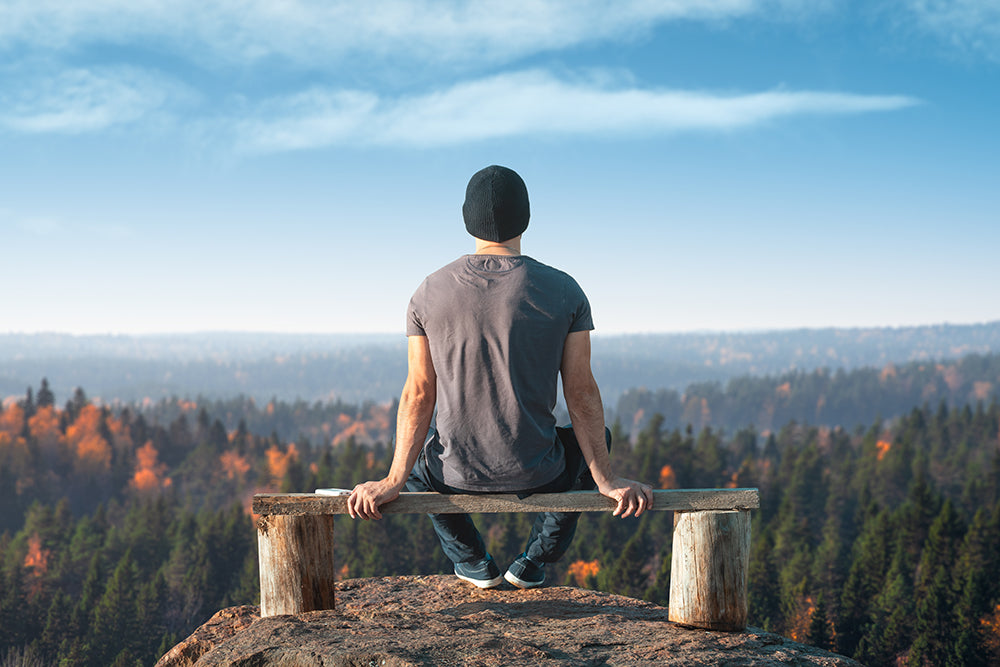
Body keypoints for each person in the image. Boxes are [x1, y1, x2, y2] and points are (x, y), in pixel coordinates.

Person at [348, 165, 653, 589]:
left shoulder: (428, 291)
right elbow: (581, 393)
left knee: (417, 466)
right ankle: (534, 561)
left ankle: (472, 560)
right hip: (538, 471)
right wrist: (606, 480)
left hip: (454, 473)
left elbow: (419, 394)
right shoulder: (564, 290)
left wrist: (392, 479)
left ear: (466, 218)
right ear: (525, 217)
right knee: (596, 442)